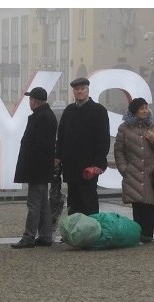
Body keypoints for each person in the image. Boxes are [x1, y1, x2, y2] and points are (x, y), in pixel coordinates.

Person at [113, 97, 154, 243]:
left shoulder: (153, 126)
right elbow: (119, 150)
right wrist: (124, 169)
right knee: (137, 204)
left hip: (151, 173)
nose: (145, 111)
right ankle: (138, 234)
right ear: (135, 110)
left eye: (146, 108)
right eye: (142, 108)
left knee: (150, 204)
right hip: (133, 171)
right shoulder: (124, 128)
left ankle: (148, 235)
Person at [54, 77, 110, 215]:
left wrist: (97, 164)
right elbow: (61, 137)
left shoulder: (98, 110)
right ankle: (74, 233)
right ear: (73, 91)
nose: (79, 92)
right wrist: (58, 156)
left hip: (88, 166)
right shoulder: (69, 111)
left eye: (82, 89)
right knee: (73, 202)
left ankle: (91, 231)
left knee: (88, 200)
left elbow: (103, 140)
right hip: (71, 166)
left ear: (87, 90)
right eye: (76, 89)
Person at [12, 86, 58, 249]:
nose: (29, 102)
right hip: (40, 168)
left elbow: (39, 146)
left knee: (34, 204)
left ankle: (28, 236)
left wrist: (31, 167)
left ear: (34, 101)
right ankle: (46, 236)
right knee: (43, 203)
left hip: (37, 169)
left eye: (30, 99)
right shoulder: (45, 116)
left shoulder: (42, 117)